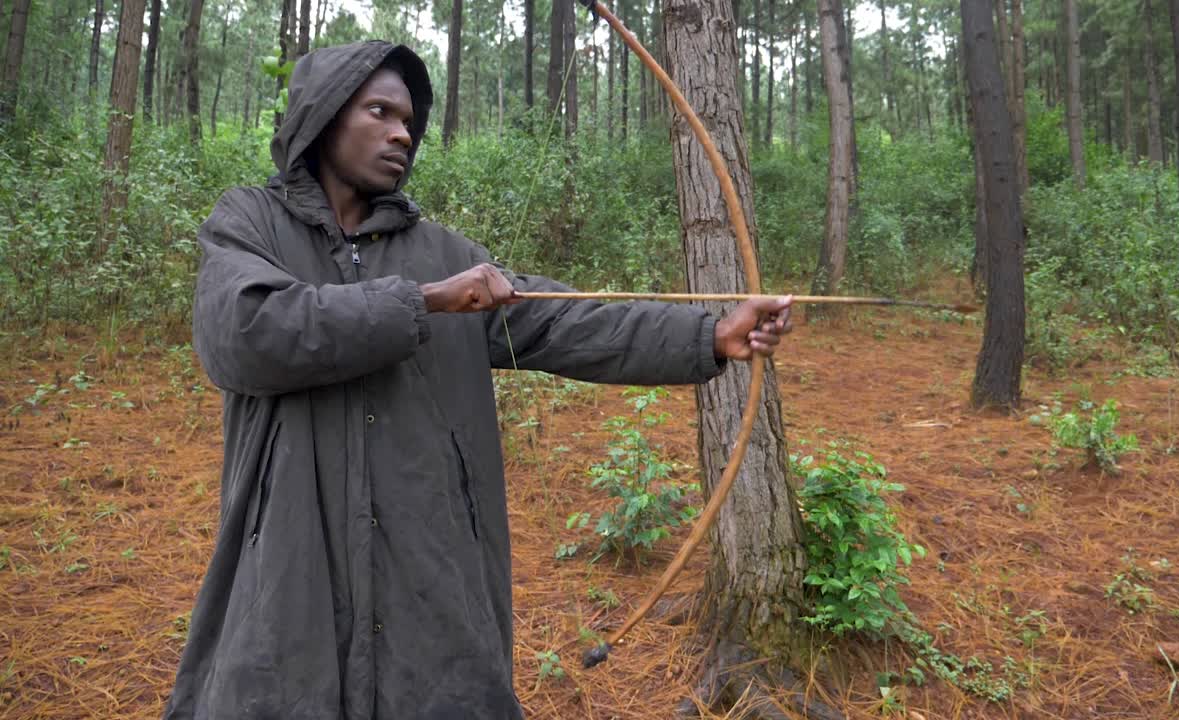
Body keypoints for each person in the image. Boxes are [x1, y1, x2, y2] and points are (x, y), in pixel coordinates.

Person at [164, 41, 792, 719]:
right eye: (380, 111)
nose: (403, 132)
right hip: (289, 563)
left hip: (427, 574)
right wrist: (424, 301)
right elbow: (247, 335)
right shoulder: (249, 224)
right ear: (324, 117)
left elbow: (566, 324)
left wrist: (710, 333)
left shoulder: (445, 254)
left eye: (409, 120)